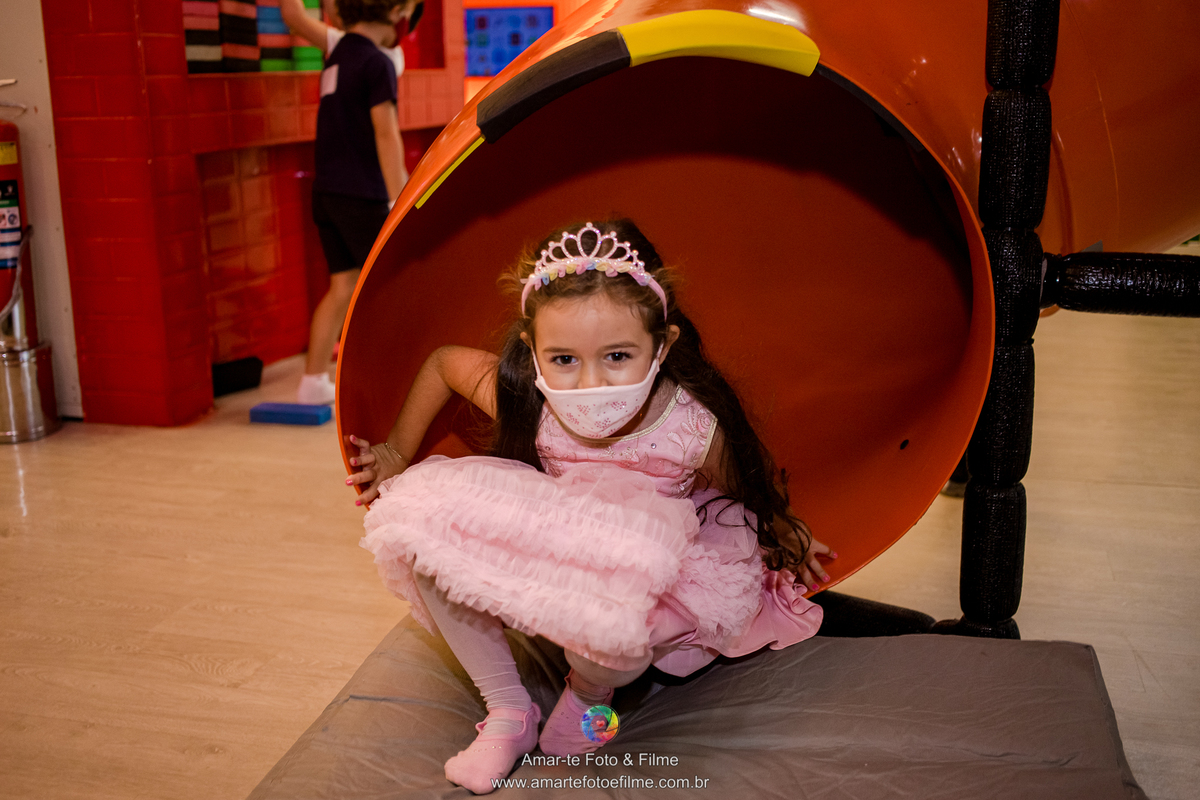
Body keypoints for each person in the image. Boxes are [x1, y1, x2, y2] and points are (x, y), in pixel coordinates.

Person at [347, 219, 836, 794]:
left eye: (618, 356)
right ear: (533, 350)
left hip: (653, 572)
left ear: (663, 345)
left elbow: (745, 486)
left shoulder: (691, 428)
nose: (589, 384)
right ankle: (508, 710)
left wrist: (789, 532)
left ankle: (589, 696)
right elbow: (442, 364)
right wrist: (395, 452)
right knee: (420, 524)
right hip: (559, 542)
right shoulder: (531, 398)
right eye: (564, 360)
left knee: (617, 624)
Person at [281, 0, 418, 404]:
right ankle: (392, 382)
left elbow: (291, 15)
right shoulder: (377, 63)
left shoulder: (338, 51)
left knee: (342, 286)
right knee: (387, 288)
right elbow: (385, 133)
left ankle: (311, 383)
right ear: (395, 12)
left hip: (327, 193)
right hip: (362, 194)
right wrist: (401, 196)